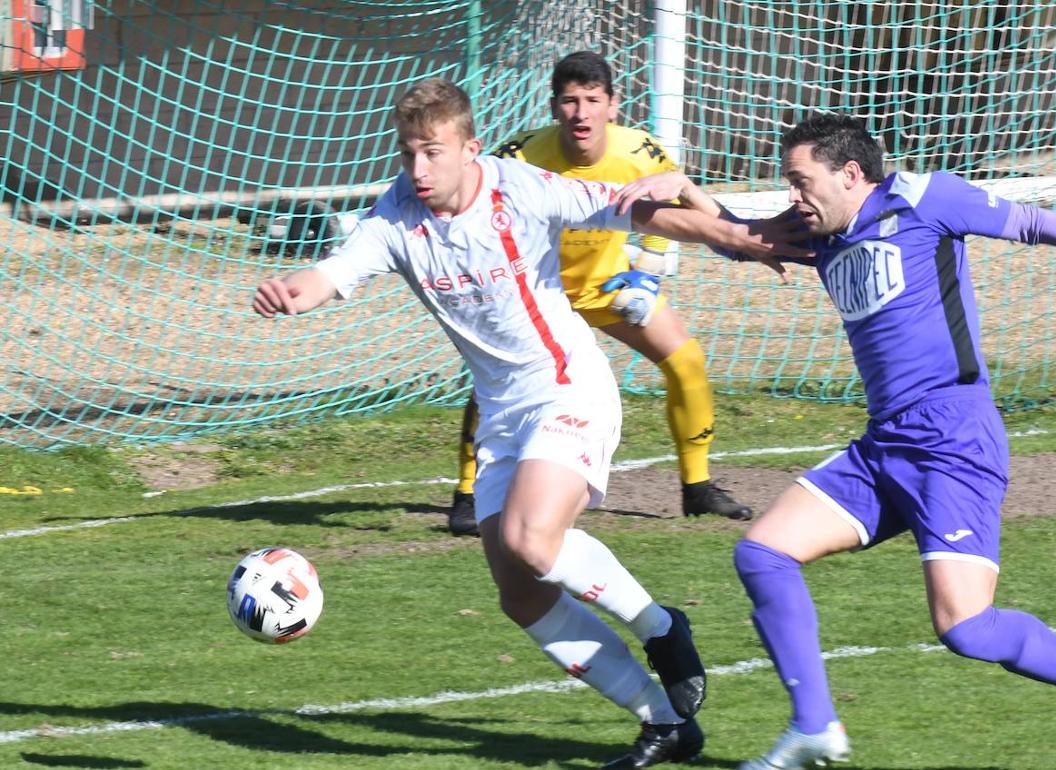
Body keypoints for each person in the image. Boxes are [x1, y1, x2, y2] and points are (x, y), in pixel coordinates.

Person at [614, 112, 1056, 770]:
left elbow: (1035, 223)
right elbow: (739, 239)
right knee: (763, 555)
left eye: (799, 180)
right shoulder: (820, 235)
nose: (792, 196)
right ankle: (814, 727)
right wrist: (683, 191)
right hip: (884, 446)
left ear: (849, 174)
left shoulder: (926, 199)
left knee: (966, 629)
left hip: (954, 442)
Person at [251, 78, 802, 769]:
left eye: (432, 152)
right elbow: (333, 272)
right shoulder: (396, 215)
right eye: (407, 154)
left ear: (468, 148)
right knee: (521, 594)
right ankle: (664, 724)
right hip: (502, 414)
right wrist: (290, 295)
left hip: (566, 385)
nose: (418, 169)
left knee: (533, 540)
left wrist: (736, 234)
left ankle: (663, 628)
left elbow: (641, 213)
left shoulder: (521, 187)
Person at [445, 50, 753, 538]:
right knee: (495, 382)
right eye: (570, 101)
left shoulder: (640, 152)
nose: (581, 112)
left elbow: (672, 205)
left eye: (592, 99)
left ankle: (697, 487)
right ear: (553, 107)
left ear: (613, 104)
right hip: (536, 298)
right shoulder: (517, 157)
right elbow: (473, 208)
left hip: (606, 288)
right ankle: (466, 494)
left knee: (686, 359)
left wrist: (647, 270)